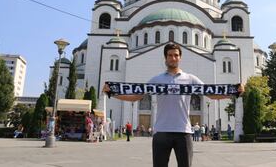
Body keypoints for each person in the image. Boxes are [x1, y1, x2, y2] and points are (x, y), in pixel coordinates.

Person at [103, 43, 244, 167]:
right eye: (170, 55)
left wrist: (233, 92)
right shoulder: (156, 80)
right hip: (161, 132)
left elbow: (211, 94)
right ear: (165, 58)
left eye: (176, 55)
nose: (173, 58)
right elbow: (136, 97)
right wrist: (112, 93)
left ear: (180, 57)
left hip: (184, 132)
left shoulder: (190, 79)